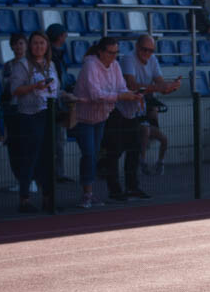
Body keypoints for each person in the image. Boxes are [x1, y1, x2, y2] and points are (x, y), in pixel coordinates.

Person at [73, 37, 143, 208]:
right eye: (110, 53)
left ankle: (89, 192)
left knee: (94, 153)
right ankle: (87, 194)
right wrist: (121, 96)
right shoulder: (90, 65)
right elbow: (95, 94)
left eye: (116, 53)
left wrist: (133, 95)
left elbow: (121, 88)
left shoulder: (115, 65)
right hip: (83, 117)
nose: (113, 56)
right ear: (101, 52)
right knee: (89, 154)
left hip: (102, 116)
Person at [8, 30, 58, 212]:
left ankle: (47, 197)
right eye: (35, 43)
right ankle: (25, 198)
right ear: (30, 45)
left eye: (42, 43)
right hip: (28, 116)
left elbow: (56, 88)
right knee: (29, 157)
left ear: (47, 46)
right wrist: (34, 86)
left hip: (47, 114)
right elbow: (15, 89)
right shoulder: (22, 65)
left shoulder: (50, 64)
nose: (39, 46)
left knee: (47, 157)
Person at [121, 35, 182, 179]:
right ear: (137, 47)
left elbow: (160, 85)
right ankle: (132, 176)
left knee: (147, 135)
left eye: (151, 51)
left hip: (142, 107)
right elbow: (132, 85)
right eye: (144, 50)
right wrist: (160, 88)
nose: (147, 54)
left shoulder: (152, 60)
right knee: (127, 147)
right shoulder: (128, 59)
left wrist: (171, 87)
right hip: (126, 109)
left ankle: (136, 176)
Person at [46, 23, 75, 183]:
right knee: (55, 140)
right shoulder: (52, 55)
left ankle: (58, 172)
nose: (66, 38)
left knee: (59, 139)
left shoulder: (60, 54)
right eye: (64, 34)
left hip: (59, 99)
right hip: (53, 101)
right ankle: (54, 173)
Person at [0, 33, 28, 187]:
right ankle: (19, 179)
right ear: (11, 46)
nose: (18, 47)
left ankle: (29, 179)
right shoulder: (8, 66)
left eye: (21, 43)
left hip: (26, 109)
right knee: (14, 146)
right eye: (15, 44)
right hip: (12, 108)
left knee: (26, 145)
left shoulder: (31, 64)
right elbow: (6, 88)